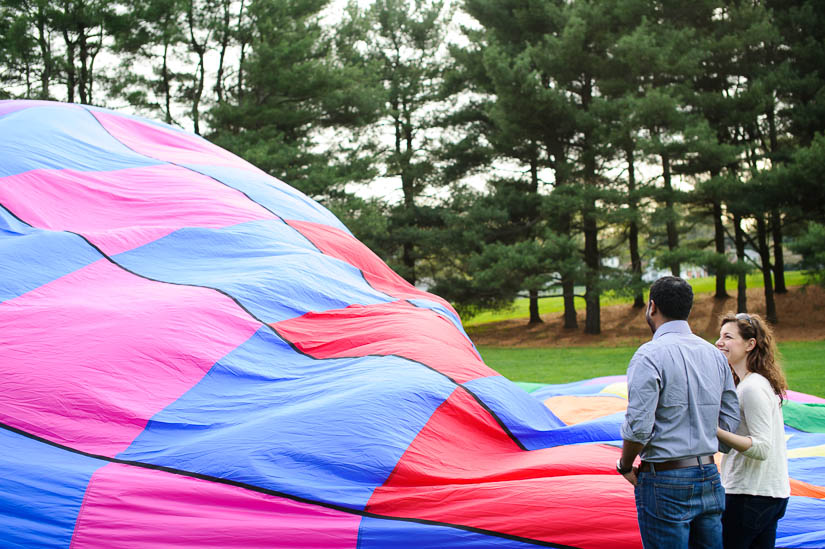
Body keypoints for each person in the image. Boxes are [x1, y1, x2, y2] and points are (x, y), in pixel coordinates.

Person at [617, 276, 740, 548]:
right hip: (709, 475)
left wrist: (625, 465)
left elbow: (639, 427)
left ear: (652, 307)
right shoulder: (714, 355)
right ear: (688, 309)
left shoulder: (649, 355)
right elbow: (730, 421)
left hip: (664, 479)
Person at [715, 312, 790, 549]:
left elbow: (761, 447)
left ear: (750, 344)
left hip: (749, 495)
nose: (719, 342)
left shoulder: (752, 388)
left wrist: (712, 430)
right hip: (767, 494)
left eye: (728, 337)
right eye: (720, 336)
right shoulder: (752, 383)